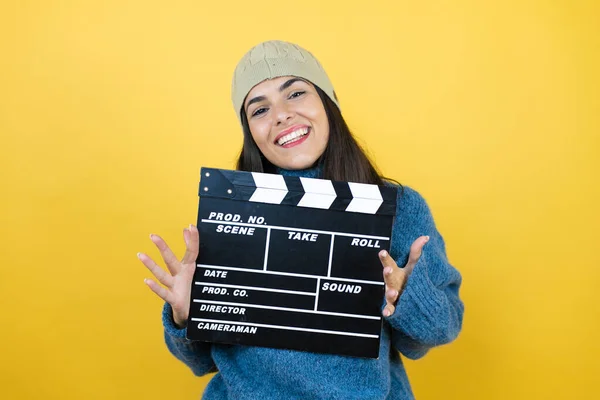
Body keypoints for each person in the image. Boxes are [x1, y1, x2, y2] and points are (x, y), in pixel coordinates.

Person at [138, 40, 464, 399]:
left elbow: (439, 330)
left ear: (328, 101)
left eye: (295, 93)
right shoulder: (231, 213)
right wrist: (187, 315)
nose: (280, 115)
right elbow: (201, 362)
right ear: (251, 133)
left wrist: (406, 296)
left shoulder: (400, 208)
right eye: (259, 110)